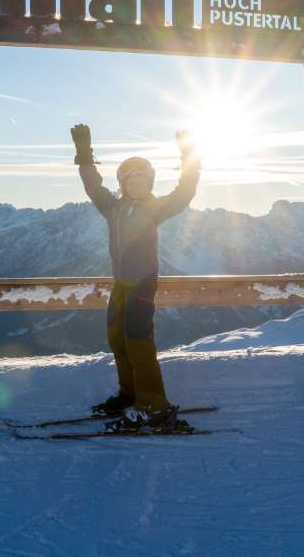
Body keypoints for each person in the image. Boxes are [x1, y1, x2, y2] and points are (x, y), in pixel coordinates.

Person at [70, 123, 200, 431]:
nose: (136, 183)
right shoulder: (114, 208)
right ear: (123, 184)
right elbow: (92, 186)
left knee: (138, 339)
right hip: (121, 283)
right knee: (117, 337)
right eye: (130, 179)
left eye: (141, 179)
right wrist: (84, 154)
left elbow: (185, 192)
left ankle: (154, 406)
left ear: (150, 182)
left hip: (142, 282)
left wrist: (188, 153)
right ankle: (130, 394)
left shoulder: (155, 208)